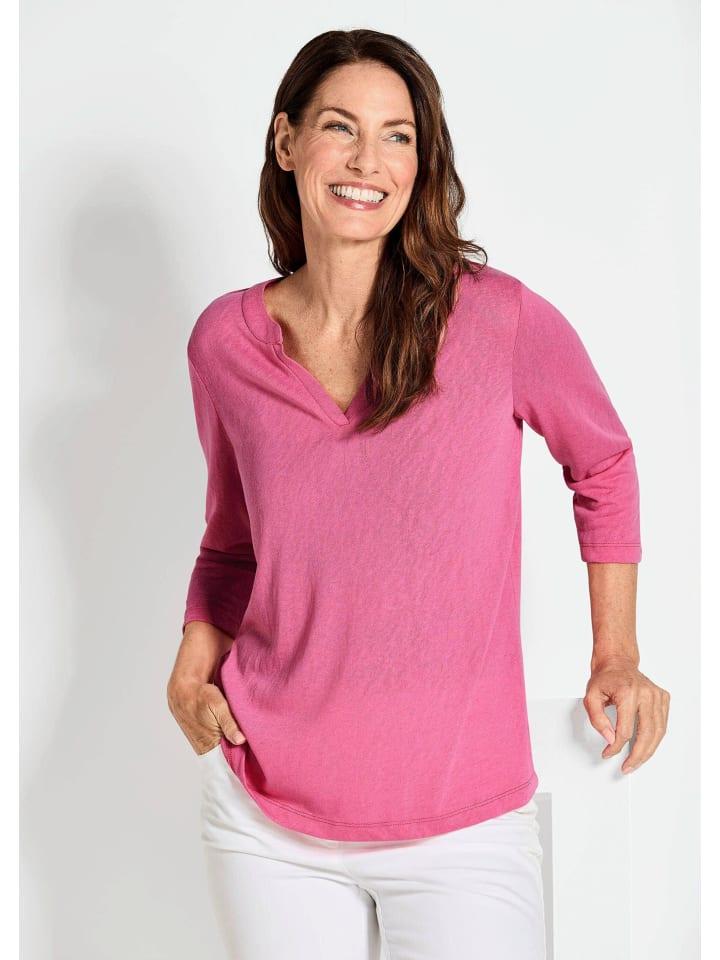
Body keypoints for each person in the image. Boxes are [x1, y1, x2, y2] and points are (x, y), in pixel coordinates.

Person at [166, 28, 670, 960]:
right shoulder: (224, 346)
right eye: (340, 127)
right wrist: (193, 659)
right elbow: (234, 541)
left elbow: (603, 463)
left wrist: (618, 652)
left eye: (397, 135)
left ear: (422, 160)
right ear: (287, 142)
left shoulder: (496, 319)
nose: (368, 161)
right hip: (266, 820)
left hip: (462, 823)